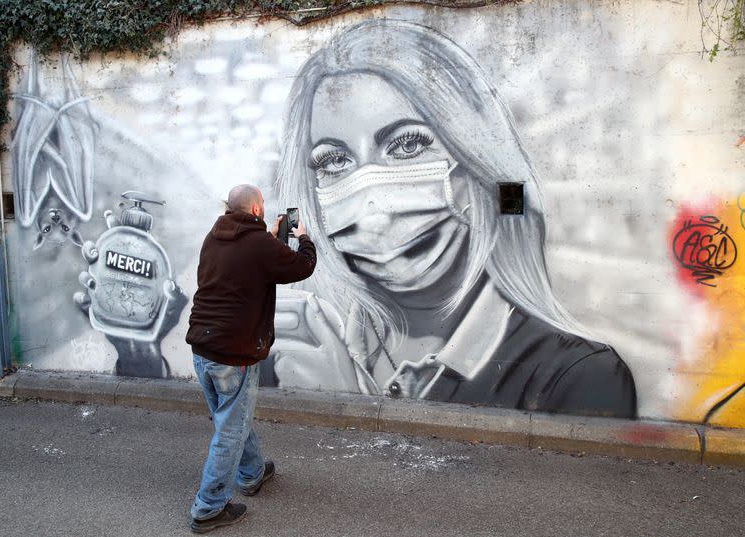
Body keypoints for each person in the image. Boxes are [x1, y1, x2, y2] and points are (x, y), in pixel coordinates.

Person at [267, 19, 637, 419]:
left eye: (407, 144)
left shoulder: (578, 376)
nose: (373, 201)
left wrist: (342, 401)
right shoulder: (298, 348)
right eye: (334, 160)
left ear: (474, 165)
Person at [185, 184, 316, 532]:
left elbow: (244, 260)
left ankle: (252, 473)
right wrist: (302, 237)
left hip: (202, 348)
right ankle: (208, 507)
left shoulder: (214, 236)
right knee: (231, 428)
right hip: (234, 352)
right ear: (257, 210)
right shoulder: (260, 245)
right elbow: (303, 267)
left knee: (231, 418)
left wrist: (269, 237)